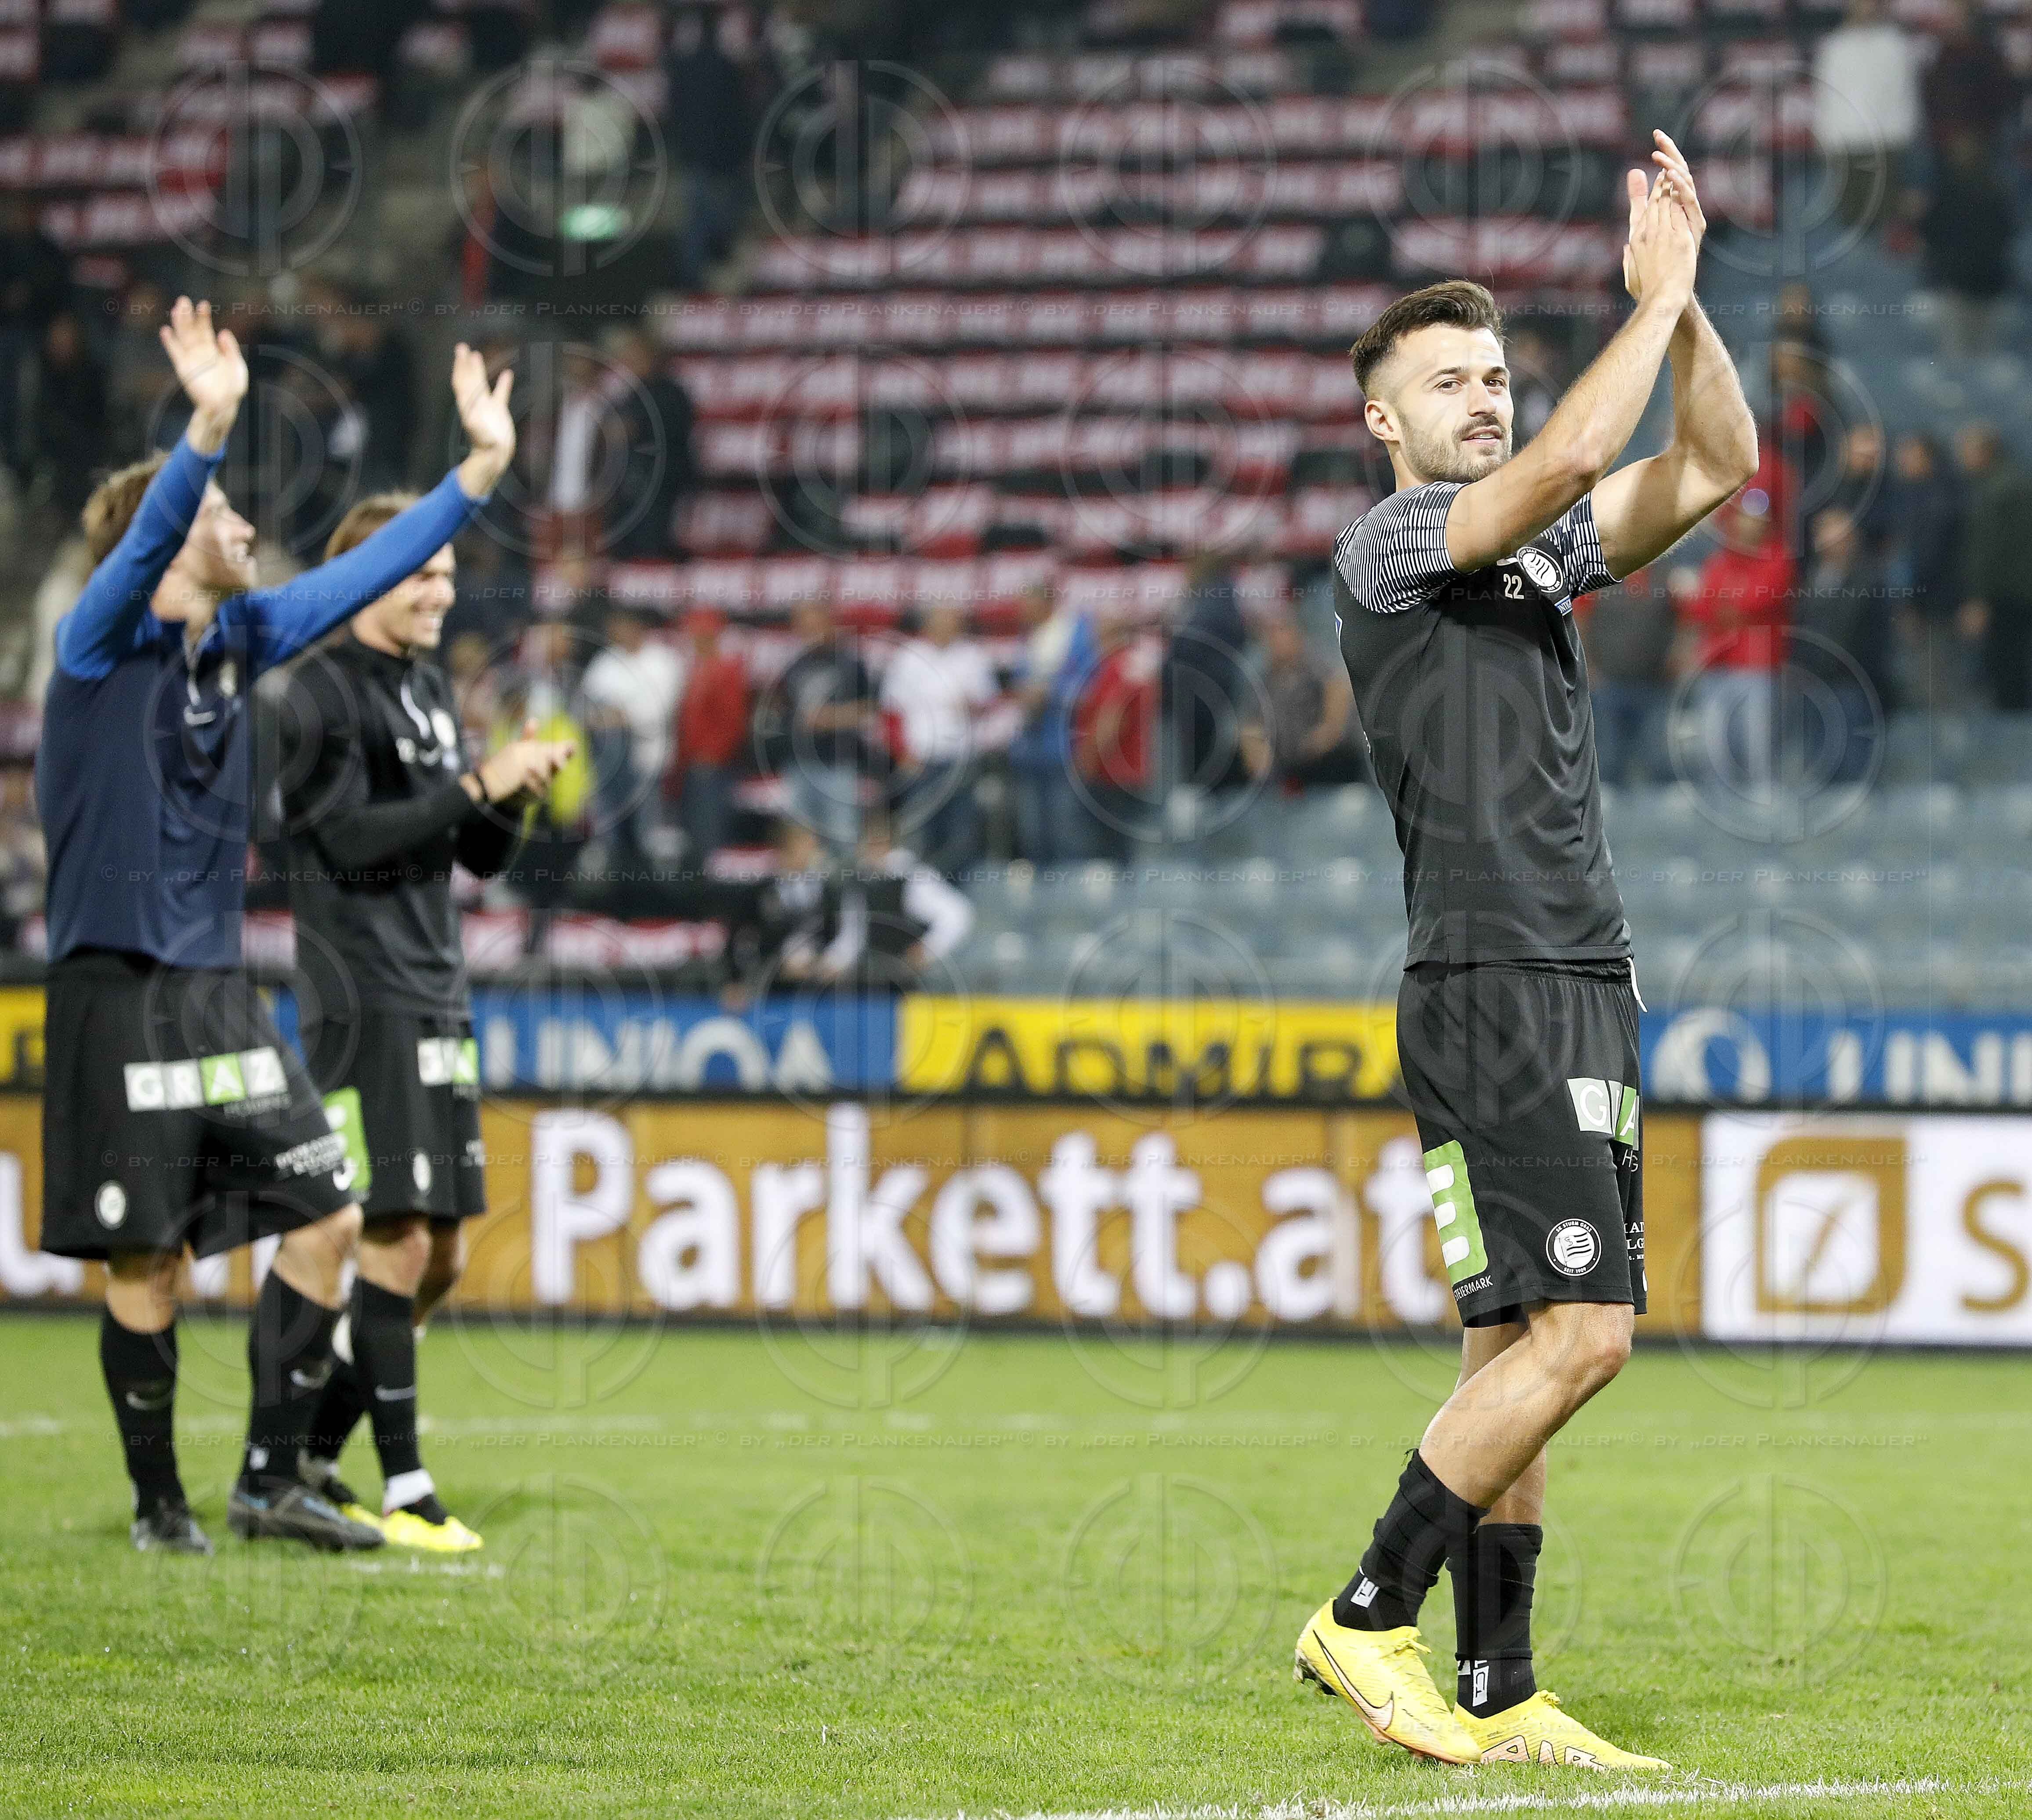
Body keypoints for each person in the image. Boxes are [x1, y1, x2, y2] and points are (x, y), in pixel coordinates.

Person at [1304, 135, 1755, 1770]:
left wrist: (1686, 310)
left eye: (1494, 373)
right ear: (1386, 424)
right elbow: (1573, 459)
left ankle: (1497, 1682)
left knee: (1520, 1349)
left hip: (1577, 975)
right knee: (1589, 1331)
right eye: (1448, 381)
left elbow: (1714, 461)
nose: (1482, 396)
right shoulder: (1392, 549)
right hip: (1492, 984)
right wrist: (1641, 307)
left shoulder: (1542, 556)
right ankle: (1367, 1612)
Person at [34, 298, 518, 1555]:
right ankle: (159, 1506)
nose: (247, 524)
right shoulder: (97, 645)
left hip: (212, 988)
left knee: (332, 1215)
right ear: (167, 540)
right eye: (224, 511)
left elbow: (363, 571)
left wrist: (476, 472)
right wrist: (201, 432)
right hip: (114, 979)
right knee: (148, 1263)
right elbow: (143, 545)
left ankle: (269, 1475)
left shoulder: (243, 640)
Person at [276, 495, 574, 1552]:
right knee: (395, 1238)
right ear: (365, 573)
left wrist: (509, 792)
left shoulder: (426, 688)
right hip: (363, 995)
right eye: (423, 574)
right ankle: (405, 1486)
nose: (443, 592)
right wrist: (471, 782)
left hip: (437, 987)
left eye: (448, 576)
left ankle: (303, 1453)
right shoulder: (314, 692)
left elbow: (474, 857)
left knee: (442, 1255)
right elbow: (353, 839)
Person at [1677, 488, 1795, 792]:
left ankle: (1763, 789)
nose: (1750, 524)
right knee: (1712, 737)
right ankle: (1719, 792)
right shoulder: (1719, 561)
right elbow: (1700, 608)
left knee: (1757, 736)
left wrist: (1722, 603)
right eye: (1746, 517)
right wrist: (1721, 604)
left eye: (1758, 519)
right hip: (1717, 662)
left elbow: (1756, 601)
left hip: (1757, 663)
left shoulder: (1777, 557)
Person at [880, 602, 996, 877]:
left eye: (952, 621)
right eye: (941, 621)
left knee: (963, 834)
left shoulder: (973, 656)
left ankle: (961, 900)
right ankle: (919, 901)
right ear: (928, 624)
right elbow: (890, 712)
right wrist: (902, 754)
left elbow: (991, 705)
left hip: (961, 761)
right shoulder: (908, 658)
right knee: (920, 836)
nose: (947, 627)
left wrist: (974, 707)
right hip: (922, 762)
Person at [807, 806, 974, 990]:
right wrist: (832, 963)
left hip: (916, 984)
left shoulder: (913, 878)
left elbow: (957, 916)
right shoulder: (859, 882)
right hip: (877, 980)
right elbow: (853, 936)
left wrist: (927, 950)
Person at [1789, 505, 1894, 783]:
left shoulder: (1867, 578)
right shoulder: (1813, 577)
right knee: (1820, 757)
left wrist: (1819, 664)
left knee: (1853, 757)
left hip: (1851, 681)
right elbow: (1802, 625)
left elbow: (1849, 630)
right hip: (1814, 682)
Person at [765, 598, 878, 850]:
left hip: (837, 764)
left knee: (842, 838)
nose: (810, 632)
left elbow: (870, 708)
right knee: (801, 841)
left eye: (815, 625)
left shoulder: (850, 664)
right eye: (804, 626)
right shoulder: (796, 667)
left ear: (829, 625)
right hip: (799, 764)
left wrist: (831, 718)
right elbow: (783, 710)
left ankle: (845, 889)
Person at [580, 605, 685, 859]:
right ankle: (611, 861)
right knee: (611, 832)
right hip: (609, 763)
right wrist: (606, 718)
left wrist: (621, 717)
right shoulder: (605, 662)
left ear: (638, 627)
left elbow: (661, 710)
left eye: (622, 625)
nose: (616, 631)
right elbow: (586, 707)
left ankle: (646, 876)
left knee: (646, 834)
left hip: (648, 757)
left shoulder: (663, 660)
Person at [1007, 580, 1094, 867]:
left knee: (1065, 826)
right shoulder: (1030, 638)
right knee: (1034, 829)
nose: (1021, 612)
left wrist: (1050, 694)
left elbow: (1088, 686)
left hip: (1063, 746)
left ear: (1045, 604)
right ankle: (1041, 898)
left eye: (1027, 605)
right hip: (1031, 747)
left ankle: (1070, 898)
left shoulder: (1076, 635)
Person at [1812, 0, 1918, 231]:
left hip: (1887, 146)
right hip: (1846, 147)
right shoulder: (1834, 46)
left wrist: (1903, 140)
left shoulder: (1896, 44)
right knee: (1850, 222)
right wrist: (1826, 140)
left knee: (1886, 220)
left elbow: (1905, 96)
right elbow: (1826, 97)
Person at [1915, 129, 2015, 360]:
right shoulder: (1990, 191)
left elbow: (1930, 231)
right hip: (1966, 283)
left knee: (1972, 356)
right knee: (1965, 356)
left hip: (1972, 283)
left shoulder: (1987, 192)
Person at [1578, 564, 1674, 787]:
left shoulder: (1666, 577)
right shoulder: (1598, 578)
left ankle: (1661, 798)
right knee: (1608, 752)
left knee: (1657, 751)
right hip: (1608, 680)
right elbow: (1580, 623)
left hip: (1655, 682)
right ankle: (1604, 796)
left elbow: (1687, 619)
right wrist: (1588, 667)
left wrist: (1678, 654)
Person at [1239, 607, 1355, 789]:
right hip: (1284, 763)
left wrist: (1326, 732)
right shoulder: (1263, 679)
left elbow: (1338, 689)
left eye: (1282, 631)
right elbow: (1251, 724)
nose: (1276, 640)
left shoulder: (1314, 664)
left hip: (1324, 760)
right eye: (1271, 634)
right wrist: (1256, 748)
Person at [1960, 423, 2032, 712]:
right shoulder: (2009, 482)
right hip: (2015, 591)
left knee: (2007, 666)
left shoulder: (1999, 491)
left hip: (2008, 595)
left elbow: (1991, 551)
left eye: (1966, 450)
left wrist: (1980, 598)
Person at [674, 607, 749, 861]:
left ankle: (715, 897)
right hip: (692, 765)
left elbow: (734, 721)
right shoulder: (696, 669)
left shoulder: (726, 670)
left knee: (711, 836)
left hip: (714, 767)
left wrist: (714, 756)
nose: (695, 638)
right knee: (694, 833)